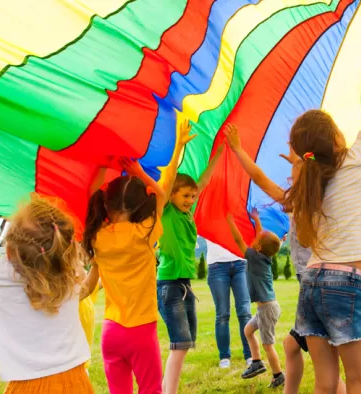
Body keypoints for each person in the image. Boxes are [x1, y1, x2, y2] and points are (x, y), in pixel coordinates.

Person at [284, 26, 361, 394]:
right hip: (346, 283)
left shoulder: (306, 185)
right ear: (336, 139)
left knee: (326, 382)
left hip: (312, 282)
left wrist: (300, 171)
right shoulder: (357, 158)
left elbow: (302, 237)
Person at [222, 124, 347, 394]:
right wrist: (299, 162)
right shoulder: (319, 196)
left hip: (316, 284)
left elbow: (258, 176)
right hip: (317, 282)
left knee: (324, 362)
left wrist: (238, 149)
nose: (288, 177)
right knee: (294, 346)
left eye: (293, 172)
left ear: (303, 178)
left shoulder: (301, 201)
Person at [0, 173, 93, 393]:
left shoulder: (2, 274)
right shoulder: (69, 273)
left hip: (27, 387)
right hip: (75, 381)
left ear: (11, 251)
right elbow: (52, 244)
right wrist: (40, 211)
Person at [80, 157, 166, 394]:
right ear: (139, 205)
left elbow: (90, 194)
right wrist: (139, 172)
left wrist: (103, 164)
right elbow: (161, 195)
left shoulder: (98, 236)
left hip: (112, 331)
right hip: (142, 331)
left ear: (107, 205)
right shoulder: (145, 232)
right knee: (151, 390)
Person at [156, 120, 223, 393]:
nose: (190, 199)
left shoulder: (186, 215)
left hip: (183, 285)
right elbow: (169, 179)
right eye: (185, 195)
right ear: (172, 194)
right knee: (180, 345)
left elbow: (204, 179)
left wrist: (220, 152)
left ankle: (167, 388)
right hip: (170, 284)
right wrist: (179, 147)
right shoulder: (167, 212)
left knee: (185, 344)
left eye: (192, 196)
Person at [226, 210, 285, 388]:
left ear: (257, 248)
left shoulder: (254, 256)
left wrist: (230, 221)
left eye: (256, 239)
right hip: (265, 307)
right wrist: (257, 220)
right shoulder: (264, 256)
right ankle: (257, 362)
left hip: (267, 309)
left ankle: (278, 375)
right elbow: (261, 237)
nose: (254, 238)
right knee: (248, 331)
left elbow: (238, 241)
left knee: (268, 344)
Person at [206, 238, 253, 368]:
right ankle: (224, 357)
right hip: (217, 266)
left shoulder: (238, 216)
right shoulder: (208, 216)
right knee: (222, 314)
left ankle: (250, 355)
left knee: (245, 312)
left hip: (241, 263)